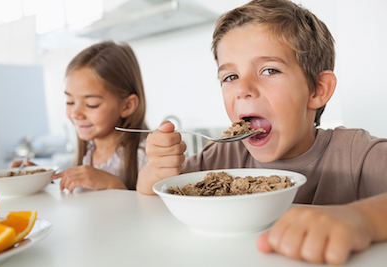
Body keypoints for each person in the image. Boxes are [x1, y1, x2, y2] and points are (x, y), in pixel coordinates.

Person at [136, 0, 387, 265]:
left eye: (269, 70)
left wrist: (362, 219)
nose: (243, 88)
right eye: (230, 76)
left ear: (317, 90)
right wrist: (158, 169)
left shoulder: (356, 155)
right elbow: (149, 193)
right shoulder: (222, 156)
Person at [12, 41, 148, 192]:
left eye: (91, 104)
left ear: (127, 106)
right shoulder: (89, 154)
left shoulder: (145, 156)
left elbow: (152, 212)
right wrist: (41, 178)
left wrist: (112, 184)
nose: (75, 113)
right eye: (70, 101)